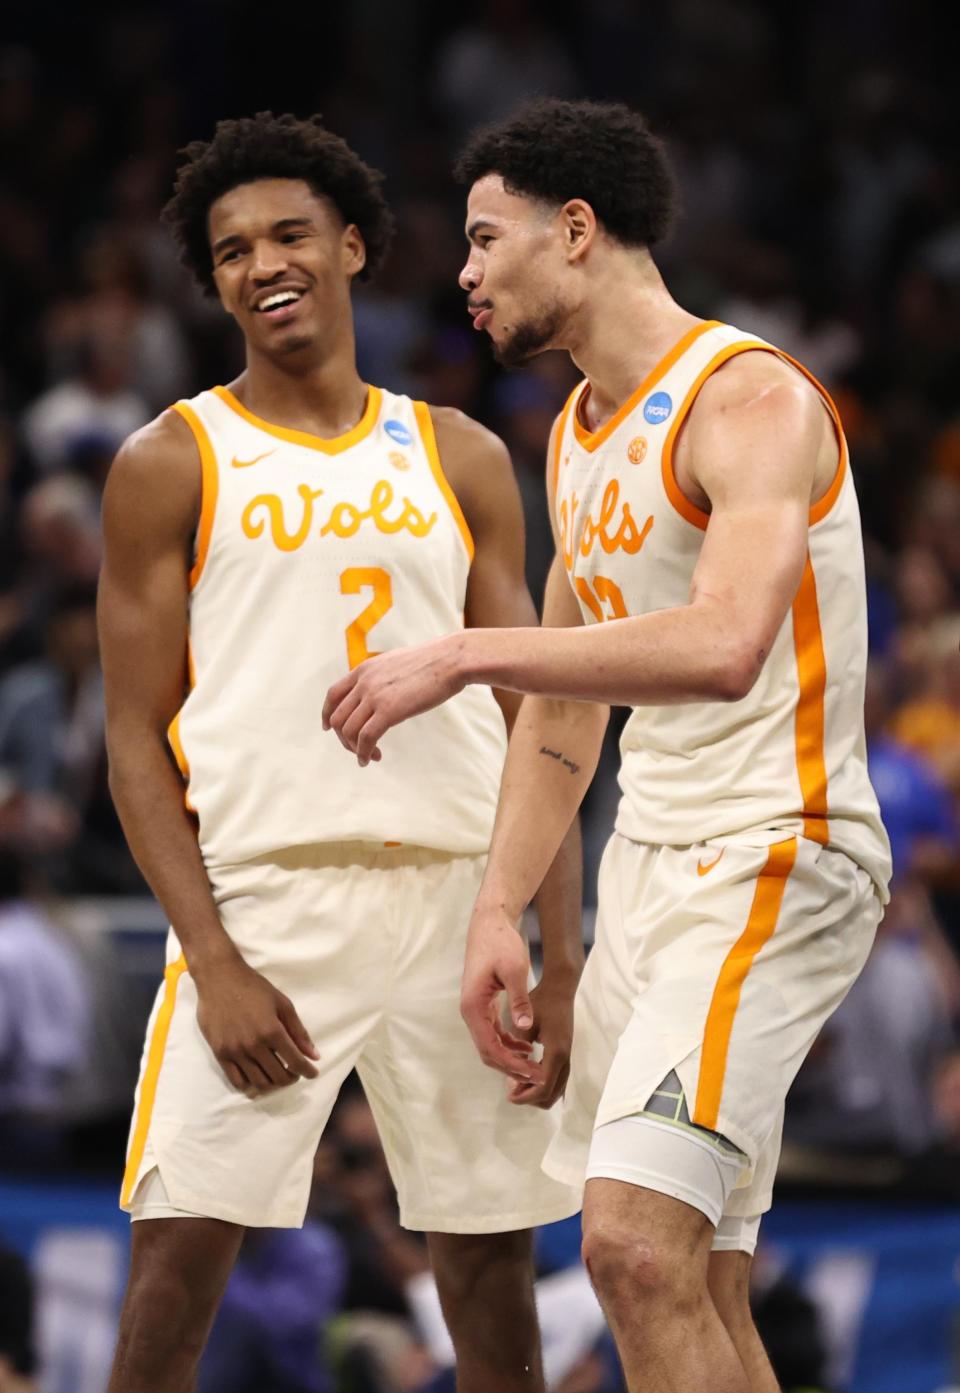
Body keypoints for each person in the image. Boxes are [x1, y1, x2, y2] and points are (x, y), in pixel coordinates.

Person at [323, 98, 892, 1393]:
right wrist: (499, 913)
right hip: (651, 860)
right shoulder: (577, 438)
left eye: (483, 239)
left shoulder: (747, 397)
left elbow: (723, 642)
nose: (460, 274)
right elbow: (566, 724)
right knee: (687, 1279)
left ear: (575, 231)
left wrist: (470, 650)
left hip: (776, 847)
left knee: (632, 1248)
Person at [98, 112, 582, 1393]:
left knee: (487, 1271)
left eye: (291, 233)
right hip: (265, 898)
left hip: (460, 896)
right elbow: (133, 745)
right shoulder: (170, 460)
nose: (265, 261)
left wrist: (565, 955)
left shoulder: (461, 453)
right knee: (177, 1261)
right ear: (214, 284)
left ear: (354, 246)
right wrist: (212, 955)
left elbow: (540, 714)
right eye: (233, 247)